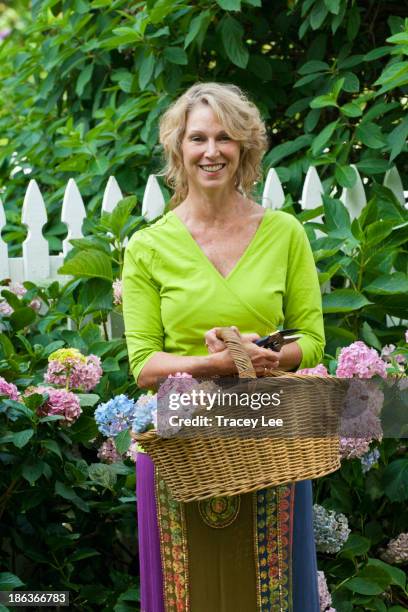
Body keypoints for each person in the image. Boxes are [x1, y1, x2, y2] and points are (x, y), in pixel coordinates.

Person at [123, 82, 325, 611]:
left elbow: (313, 338)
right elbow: (144, 365)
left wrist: (270, 358)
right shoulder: (147, 247)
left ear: (245, 150)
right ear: (178, 150)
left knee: (273, 590)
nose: (211, 151)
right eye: (197, 139)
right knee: (187, 591)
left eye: (225, 138)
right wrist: (215, 362)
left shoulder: (285, 233)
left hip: (270, 431)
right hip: (182, 444)